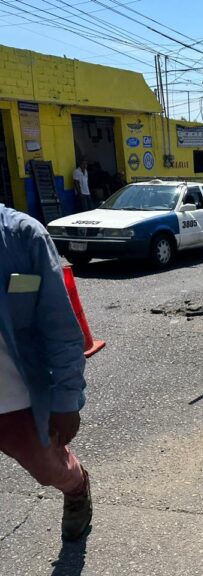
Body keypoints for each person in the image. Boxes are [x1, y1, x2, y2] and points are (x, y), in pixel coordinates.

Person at [0, 204, 92, 541]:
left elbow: (60, 326)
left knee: (48, 468)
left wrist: (66, 399)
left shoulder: (23, 237)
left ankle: (77, 486)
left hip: (15, 396)